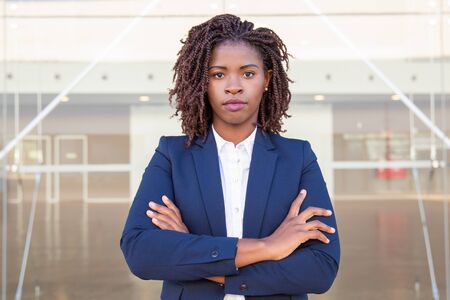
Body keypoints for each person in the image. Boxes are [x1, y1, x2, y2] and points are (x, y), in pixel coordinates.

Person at [120, 14, 340, 300]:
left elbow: (320, 269)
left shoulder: (297, 157)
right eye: (218, 74)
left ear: (266, 80)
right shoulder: (173, 156)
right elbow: (141, 252)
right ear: (203, 81)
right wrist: (269, 247)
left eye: (248, 73)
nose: (233, 86)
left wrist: (190, 251)